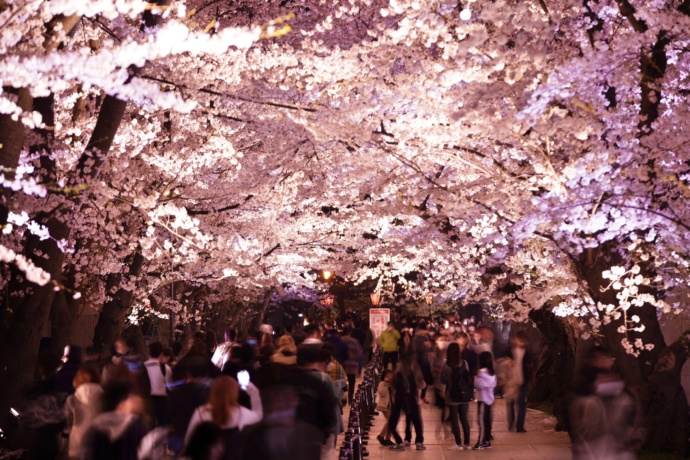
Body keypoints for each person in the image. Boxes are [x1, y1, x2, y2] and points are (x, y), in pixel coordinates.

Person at [568, 346, 643, 460]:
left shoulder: (618, 384)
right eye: (601, 358)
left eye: (607, 358)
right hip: (594, 440)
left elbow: (631, 410)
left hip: (616, 440)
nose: (605, 361)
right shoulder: (584, 384)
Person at [184, 375, 263, 458]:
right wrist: (253, 391)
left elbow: (188, 441)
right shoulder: (242, 413)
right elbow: (258, 416)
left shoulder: (201, 413)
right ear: (236, 392)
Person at [63, 366, 103, 459]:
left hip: (77, 447)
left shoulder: (72, 399)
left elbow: (67, 426)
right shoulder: (106, 398)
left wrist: (63, 446)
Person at [388, 354, 426, 451]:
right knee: (416, 421)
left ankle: (400, 442)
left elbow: (392, 387)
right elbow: (422, 384)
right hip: (412, 399)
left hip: (400, 399)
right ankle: (418, 442)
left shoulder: (398, 375)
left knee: (392, 423)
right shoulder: (413, 373)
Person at [441, 342, 472, 451]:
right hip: (464, 396)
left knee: (454, 420)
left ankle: (458, 444)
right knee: (464, 419)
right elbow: (467, 377)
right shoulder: (465, 363)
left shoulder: (446, 366)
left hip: (452, 396)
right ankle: (467, 443)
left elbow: (443, 381)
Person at [505, 330, 533, 432]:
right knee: (511, 404)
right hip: (511, 382)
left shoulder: (527, 353)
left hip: (522, 381)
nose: (522, 343)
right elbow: (501, 363)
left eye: (524, 341)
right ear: (516, 339)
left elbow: (530, 366)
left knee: (521, 405)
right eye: (520, 340)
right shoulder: (508, 351)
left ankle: (520, 426)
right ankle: (511, 423)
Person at [143, 341, 172, 427]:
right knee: (162, 425)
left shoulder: (143, 366)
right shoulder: (165, 368)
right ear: (160, 353)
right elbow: (169, 386)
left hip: (147, 399)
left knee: (148, 425)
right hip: (161, 400)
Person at [473, 351, 496, 450]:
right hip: (489, 400)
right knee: (487, 421)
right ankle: (487, 441)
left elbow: (478, 385)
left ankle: (481, 441)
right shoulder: (492, 373)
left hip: (483, 400)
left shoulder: (482, 373)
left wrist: (476, 379)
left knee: (482, 422)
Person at [341, 326, 363, 405]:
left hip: (342, 365)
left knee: (342, 383)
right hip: (352, 365)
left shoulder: (340, 341)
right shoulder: (354, 341)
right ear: (350, 333)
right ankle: (350, 400)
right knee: (351, 382)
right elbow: (359, 354)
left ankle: (343, 399)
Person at [375, 369, 394, 446]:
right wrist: (386, 384)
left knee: (391, 422)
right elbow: (382, 393)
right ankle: (381, 435)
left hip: (391, 405)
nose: (389, 377)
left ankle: (388, 439)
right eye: (387, 375)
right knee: (391, 420)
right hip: (384, 406)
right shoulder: (382, 384)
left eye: (390, 375)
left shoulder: (392, 384)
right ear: (384, 377)